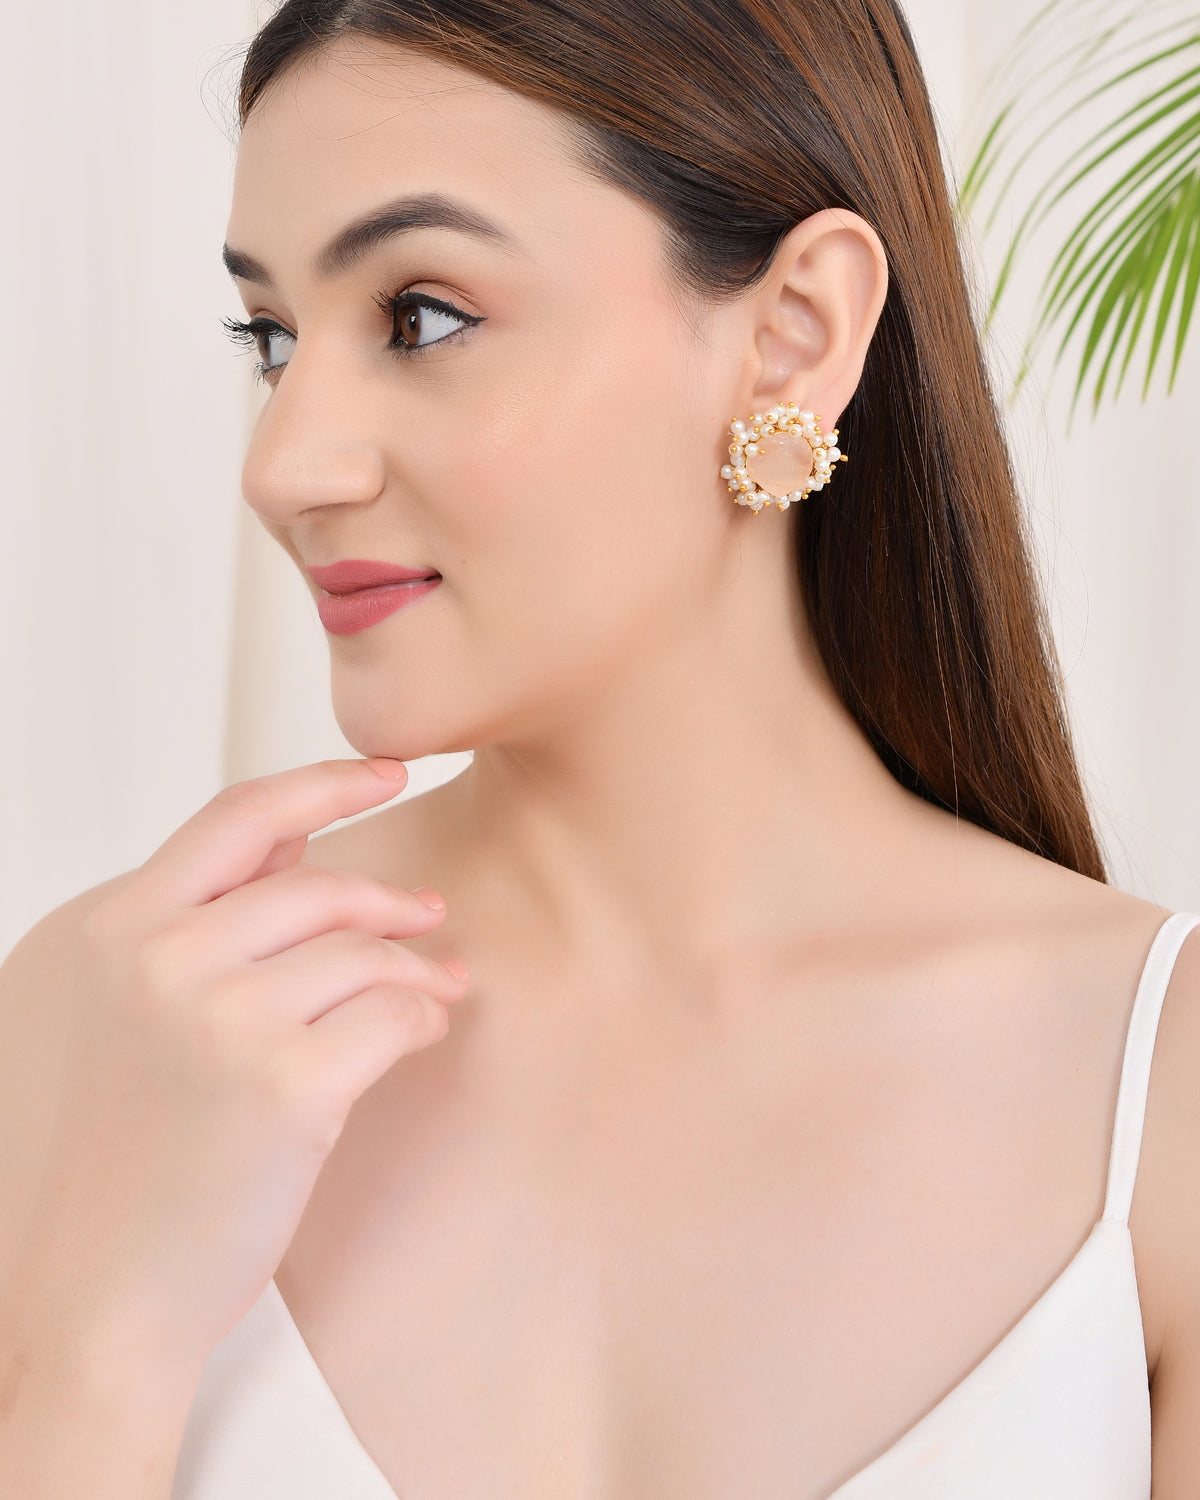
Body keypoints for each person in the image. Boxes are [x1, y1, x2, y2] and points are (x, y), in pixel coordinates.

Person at [1, 0, 1197, 1495]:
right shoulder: (109, 1030)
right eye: (274, 338)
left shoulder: (1159, 1095)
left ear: (794, 335)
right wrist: (107, 1344)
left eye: (421, 317)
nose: (285, 464)